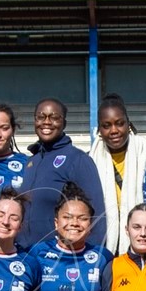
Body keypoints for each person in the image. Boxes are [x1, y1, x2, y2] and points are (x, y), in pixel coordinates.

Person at [18, 97, 107, 249]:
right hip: (26, 255)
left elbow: (96, 214)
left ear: (64, 123)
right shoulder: (31, 162)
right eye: (41, 117)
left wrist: (94, 257)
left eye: (54, 117)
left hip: (60, 260)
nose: (46, 122)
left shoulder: (78, 159)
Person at [89, 95, 146, 255]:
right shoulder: (89, 161)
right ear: (99, 129)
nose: (114, 130)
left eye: (120, 123)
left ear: (129, 124)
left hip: (144, 239)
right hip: (104, 243)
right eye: (107, 125)